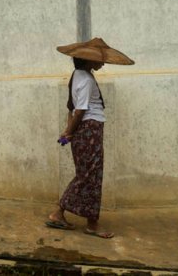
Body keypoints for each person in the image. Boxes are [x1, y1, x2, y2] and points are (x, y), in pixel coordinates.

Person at [46, 38, 134, 239]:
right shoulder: (85, 80)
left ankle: (62, 214)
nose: (102, 62)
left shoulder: (77, 75)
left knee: (87, 175)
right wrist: (69, 131)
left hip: (84, 130)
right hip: (89, 130)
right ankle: (84, 222)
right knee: (90, 177)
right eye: (98, 59)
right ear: (87, 61)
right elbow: (79, 110)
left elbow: (71, 107)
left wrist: (68, 131)